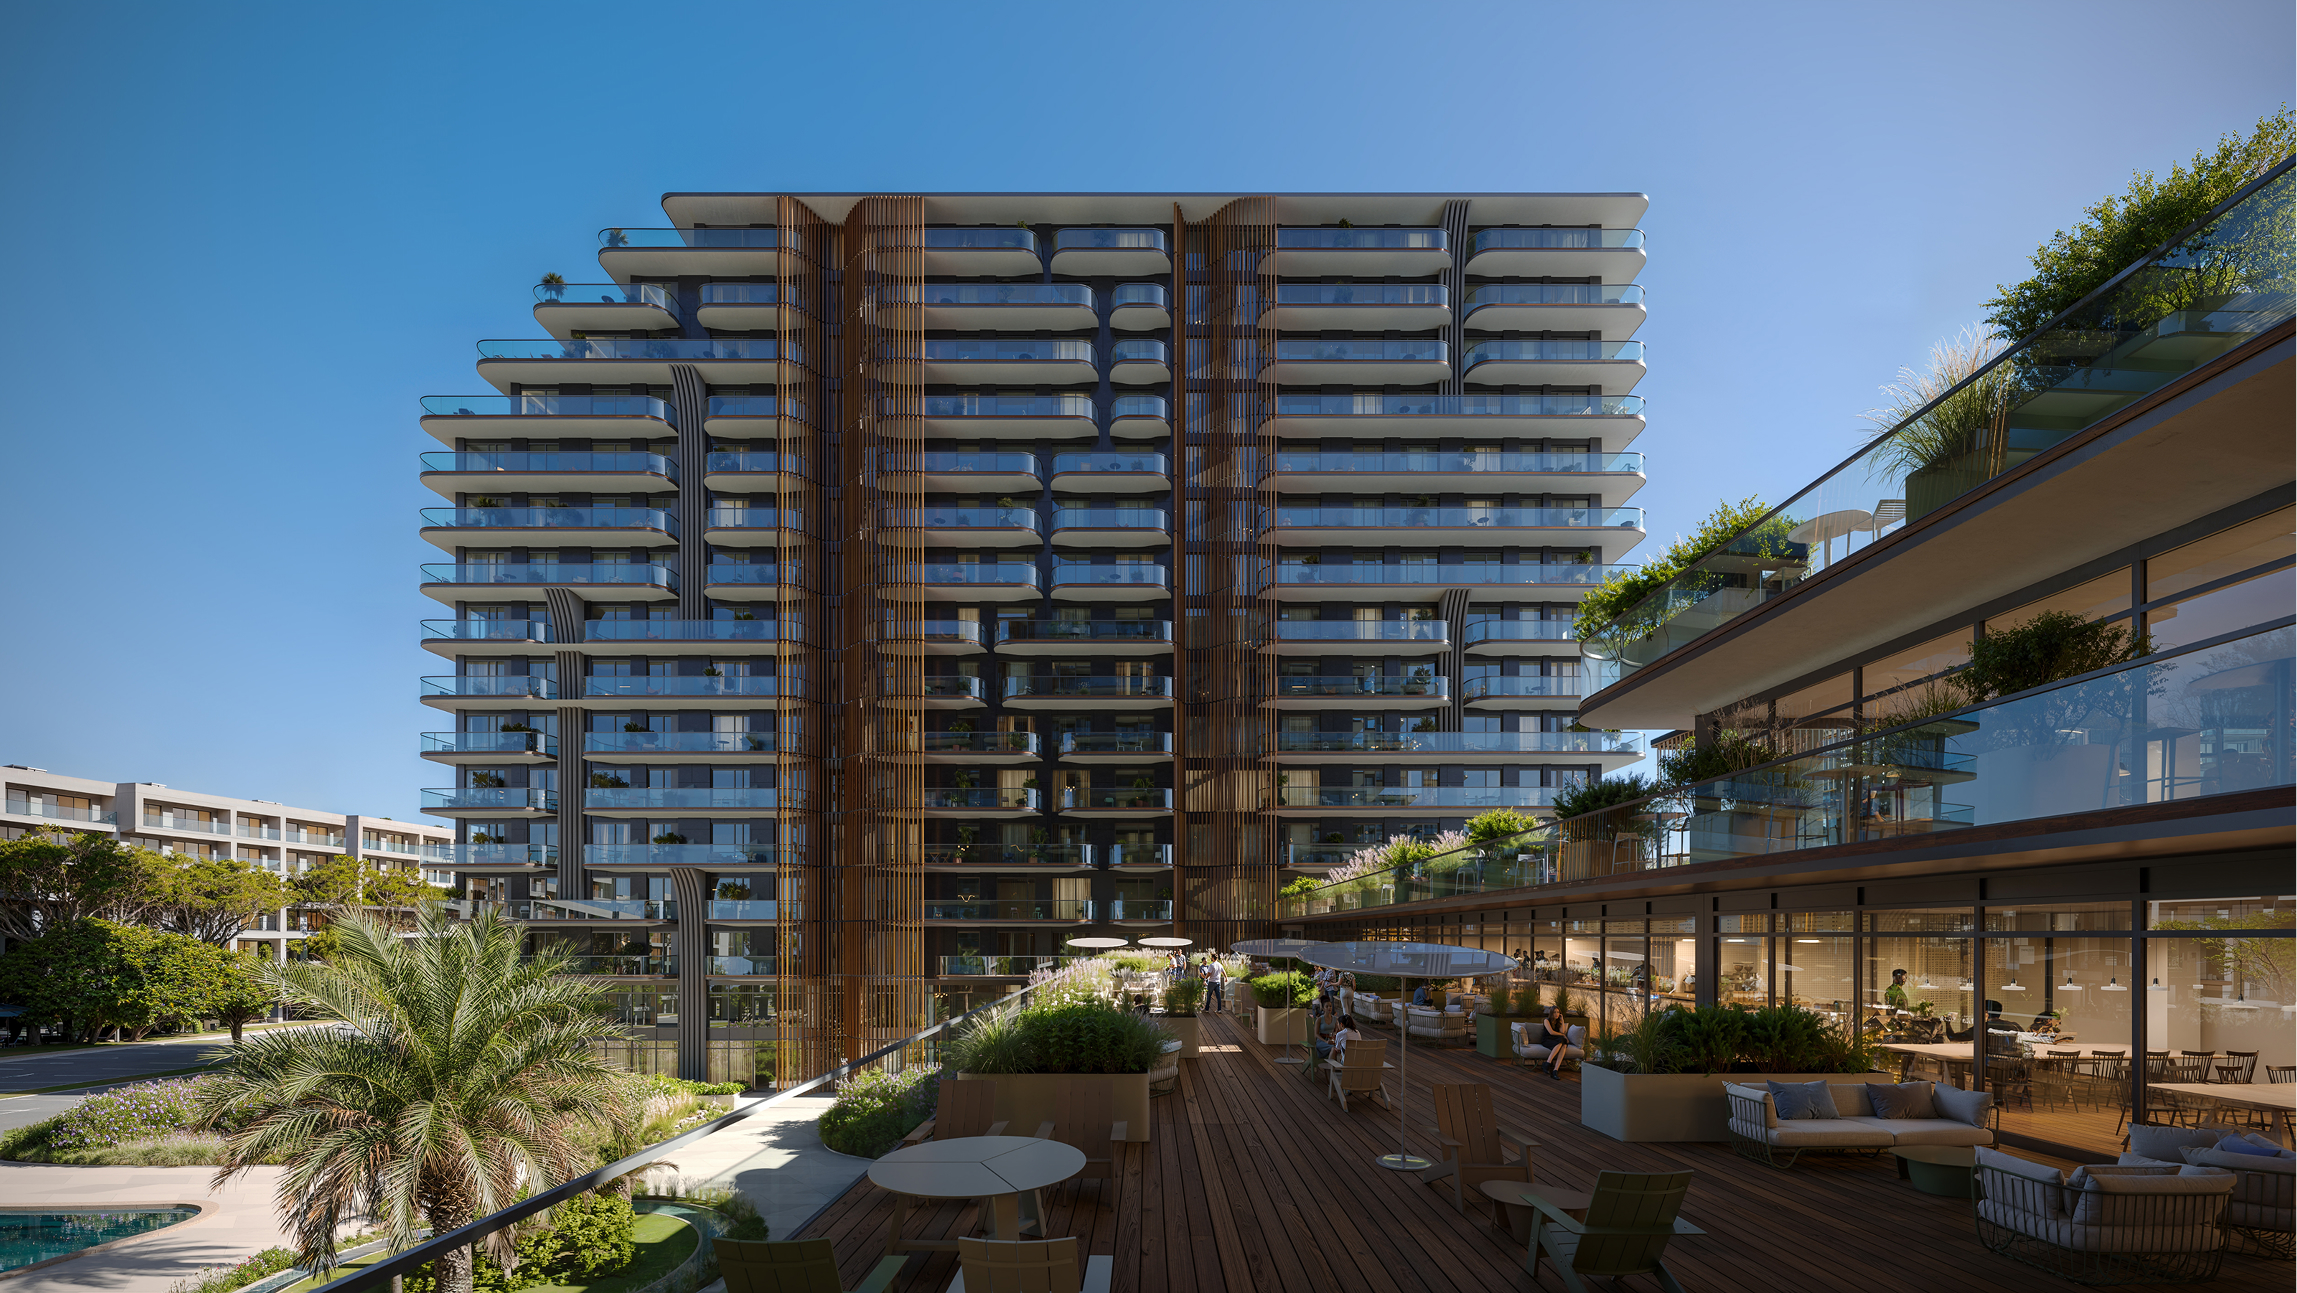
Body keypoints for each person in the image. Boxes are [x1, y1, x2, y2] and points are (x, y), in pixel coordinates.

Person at [1529, 1006, 1574, 1081]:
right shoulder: (1546, 1020)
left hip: (1555, 1039)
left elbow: (1562, 1031)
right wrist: (1563, 1035)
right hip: (1547, 1040)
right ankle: (1548, 1062)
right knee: (1561, 1041)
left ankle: (1555, 1070)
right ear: (1551, 1013)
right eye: (1554, 1012)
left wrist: (1562, 1020)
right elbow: (1551, 1032)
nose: (1556, 1014)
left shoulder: (1558, 1021)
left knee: (1564, 1044)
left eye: (1558, 1012)